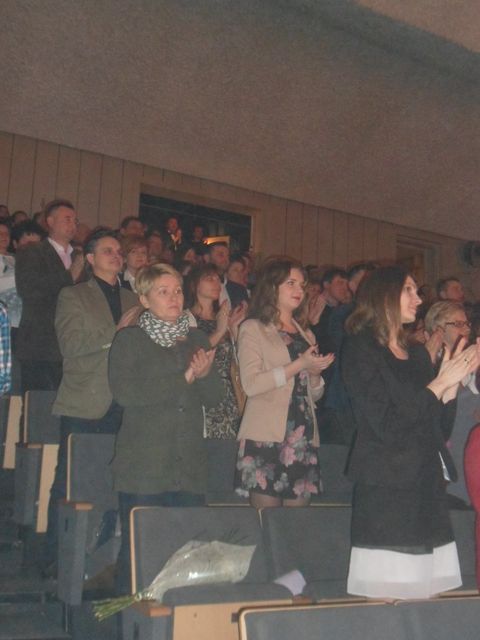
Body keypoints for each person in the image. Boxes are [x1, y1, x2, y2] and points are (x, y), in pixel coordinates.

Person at [342, 265, 480, 600]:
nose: (418, 298)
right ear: (383, 294)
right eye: (409, 290)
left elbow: (436, 427)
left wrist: (449, 390)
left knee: (427, 595)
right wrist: (439, 384)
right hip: (388, 486)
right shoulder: (361, 349)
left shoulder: (417, 353)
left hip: (425, 483)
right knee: (389, 599)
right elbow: (385, 425)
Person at [108, 263, 222, 592]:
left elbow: (215, 398)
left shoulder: (197, 338)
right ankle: (130, 617)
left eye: (178, 291)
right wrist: (186, 376)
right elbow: (127, 394)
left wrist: (204, 375)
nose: (174, 298)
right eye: (163, 291)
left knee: (184, 557)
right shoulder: (130, 339)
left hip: (188, 466)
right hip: (145, 467)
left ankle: (175, 618)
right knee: (140, 555)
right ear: (144, 299)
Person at [43, 230, 138, 574]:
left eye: (119, 250)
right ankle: (56, 560)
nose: (117, 255)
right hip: (86, 402)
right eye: (108, 250)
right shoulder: (73, 295)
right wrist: (116, 331)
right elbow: (70, 345)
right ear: (91, 258)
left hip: (125, 404)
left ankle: (101, 563)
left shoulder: (133, 298)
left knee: (114, 484)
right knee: (70, 482)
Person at [235, 257, 334, 508]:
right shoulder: (253, 328)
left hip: (301, 431)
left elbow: (314, 394)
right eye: (291, 283)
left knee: (297, 522)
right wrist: (299, 365)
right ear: (271, 287)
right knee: (267, 519)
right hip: (265, 432)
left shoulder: (306, 333)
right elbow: (252, 384)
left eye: (302, 285)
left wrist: (315, 374)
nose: (299, 290)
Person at [15, 198, 84, 391]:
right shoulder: (33, 252)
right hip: (41, 344)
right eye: (67, 219)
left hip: (72, 346)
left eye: (75, 220)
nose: (73, 224)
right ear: (50, 221)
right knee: (38, 404)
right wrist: (69, 276)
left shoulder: (79, 257)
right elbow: (29, 289)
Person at [186, 264, 246, 438]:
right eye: (209, 278)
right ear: (195, 285)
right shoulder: (186, 318)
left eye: (218, 279)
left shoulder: (222, 317)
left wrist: (233, 329)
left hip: (228, 394)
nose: (216, 283)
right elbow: (192, 356)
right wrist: (219, 331)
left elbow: (236, 358)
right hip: (202, 390)